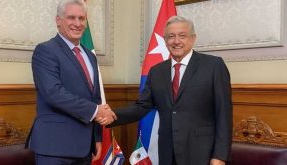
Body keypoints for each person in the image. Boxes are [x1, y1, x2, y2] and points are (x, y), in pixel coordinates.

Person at [104, 16, 232, 165]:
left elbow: (224, 114)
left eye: (182, 36)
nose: (176, 41)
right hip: (167, 152)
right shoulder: (157, 71)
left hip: (202, 153)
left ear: (193, 38)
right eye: (171, 37)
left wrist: (220, 156)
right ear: (165, 41)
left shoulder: (213, 66)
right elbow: (142, 106)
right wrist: (113, 115)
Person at [26, 0, 116, 164]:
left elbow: (94, 98)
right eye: (71, 18)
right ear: (58, 20)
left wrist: (97, 137)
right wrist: (97, 111)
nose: (77, 23)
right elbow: (53, 94)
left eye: (81, 18)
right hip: (54, 147)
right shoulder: (45, 50)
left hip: (84, 147)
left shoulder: (90, 56)